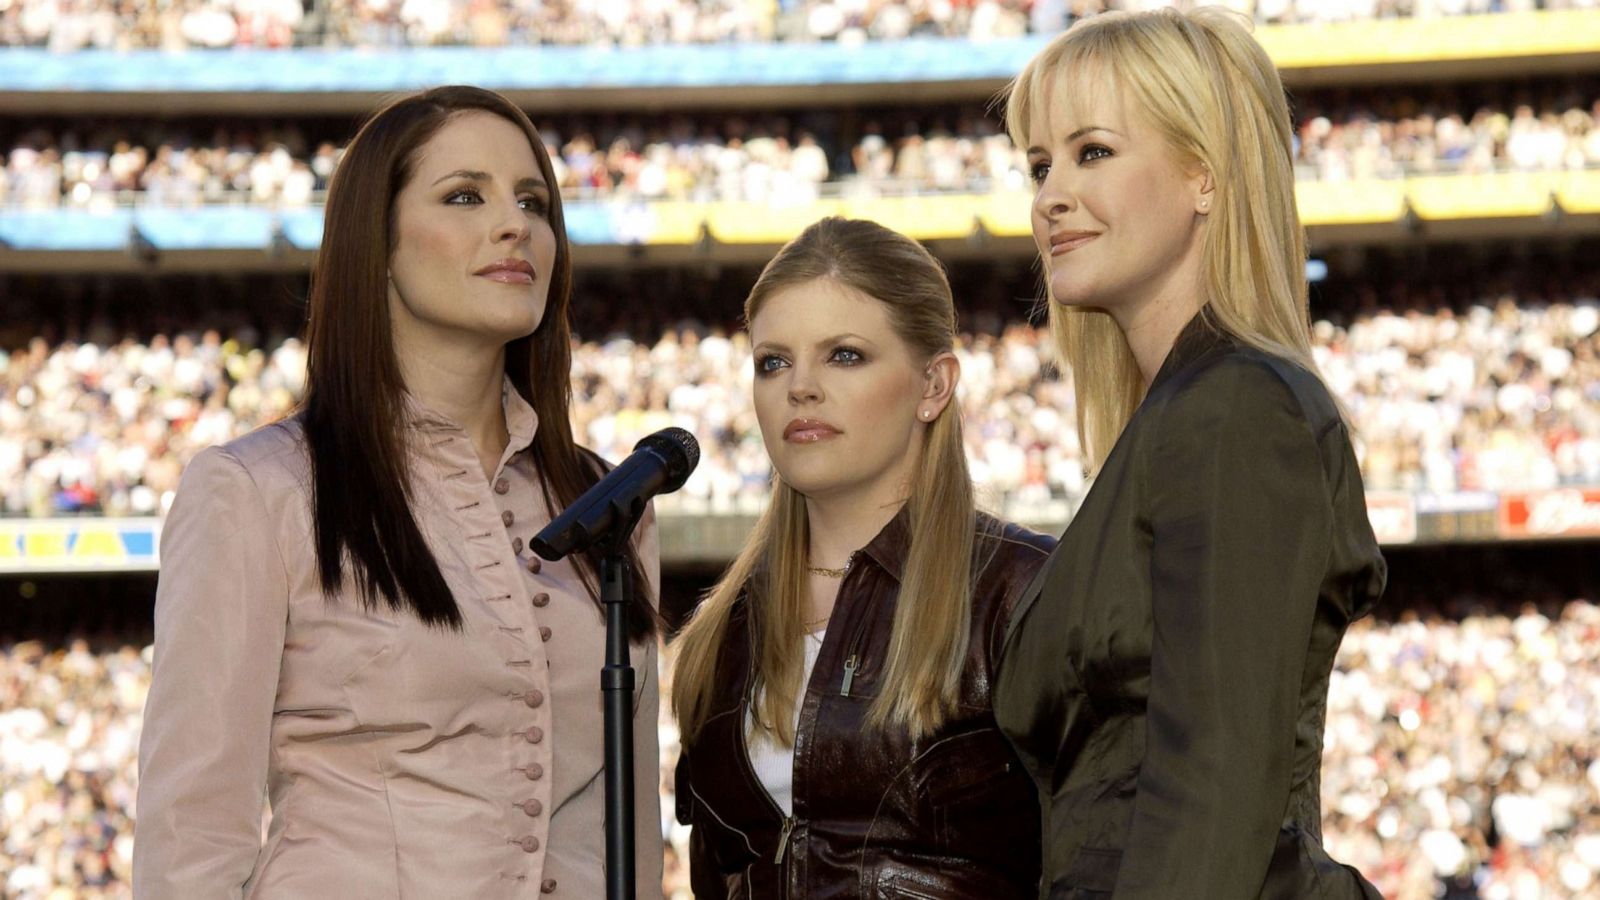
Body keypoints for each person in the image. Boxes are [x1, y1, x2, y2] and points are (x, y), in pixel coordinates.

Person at [134, 86, 664, 899]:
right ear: (375, 243)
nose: (514, 223)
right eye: (464, 196)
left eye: (533, 201)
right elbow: (191, 840)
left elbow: (625, 827)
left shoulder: (604, 497)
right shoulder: (256, 491)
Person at [992, 8, 1386, 899]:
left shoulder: (1235, 410)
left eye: (1092, 152)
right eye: (1039, 165)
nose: (1050, 194)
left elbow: (1214, 777)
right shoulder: (1179, 417)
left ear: (1204, 175)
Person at [669, 216, 1054, 898]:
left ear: (934, 386)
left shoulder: (1024, 592)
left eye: (844, 354)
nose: (800, 387)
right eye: (773, 361)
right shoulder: (720, 634)